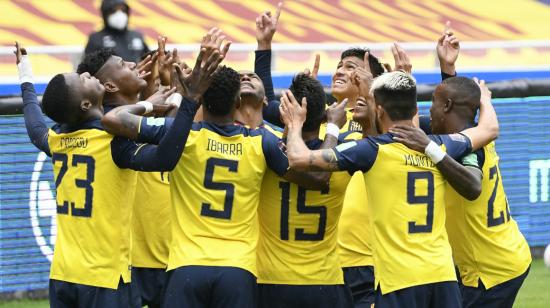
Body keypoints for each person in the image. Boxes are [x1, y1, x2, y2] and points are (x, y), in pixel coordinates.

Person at [280, 68, 499, 307]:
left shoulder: (370, 150)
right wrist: (484, 100)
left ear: (380, 110)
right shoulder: (443, 145)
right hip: (442, 277)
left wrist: (295, 122)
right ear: (415, 110)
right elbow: (489, 129)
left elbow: (299, 159)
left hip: (399, 281)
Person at [15, 38, 208, 307]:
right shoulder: (113, 142)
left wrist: (25, 76)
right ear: (85, 104)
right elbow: (165, 156)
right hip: (104, 279)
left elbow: (34, 123)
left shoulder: (57, 140)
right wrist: (185, 101)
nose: (86, 74)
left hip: (62, 275)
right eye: (83, 79)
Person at [396, 76, 532, 308]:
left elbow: (472, 186)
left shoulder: (468, 148)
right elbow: (456, 99)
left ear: (447, 106)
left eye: (433, 104)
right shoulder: (478, 132)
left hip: (490, 271)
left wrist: (429, 148)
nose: (430, 111)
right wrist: (447, 69)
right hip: (505, 253)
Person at [256, 74, 353, 308]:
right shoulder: (348, 155)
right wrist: (333, 128)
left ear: (283, 113)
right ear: (323, 117)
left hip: (271, 280)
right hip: (326, 282)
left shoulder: (262, 149)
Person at [84, 0, 149, 63]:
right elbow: (89, 67)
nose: (119, 14)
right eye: (113, 11)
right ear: (105, 14)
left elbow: (149, 59)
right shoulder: (96, 38)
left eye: (123, 10)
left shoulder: (137, 36)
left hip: (139, 73)